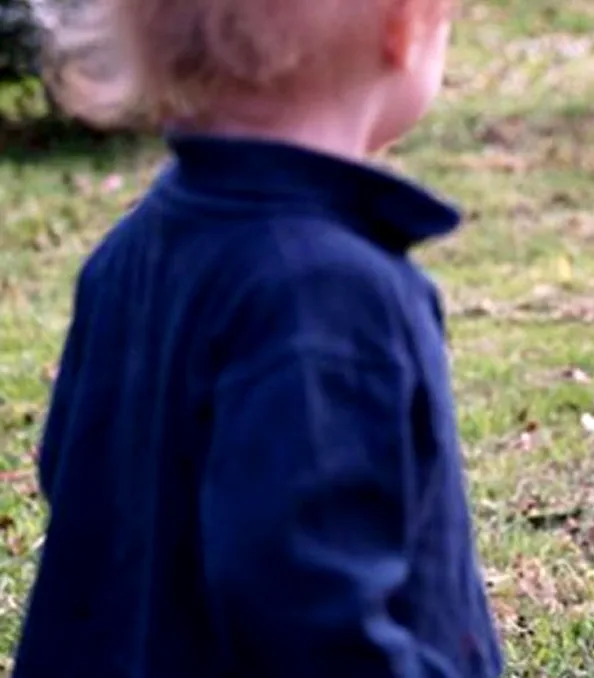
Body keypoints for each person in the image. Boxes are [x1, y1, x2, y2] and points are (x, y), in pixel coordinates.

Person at [13, 1, 503, 676]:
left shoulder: (130, 252)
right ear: (404, 26)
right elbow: (314, 615)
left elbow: (72, 472)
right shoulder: (331, 297)